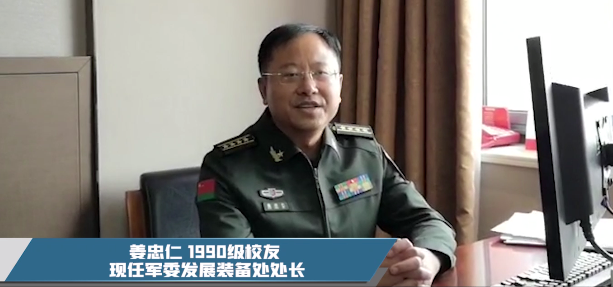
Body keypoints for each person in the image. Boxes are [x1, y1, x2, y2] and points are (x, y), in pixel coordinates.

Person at [195, 23, 457, 286]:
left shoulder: (363, 153)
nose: (308, 87)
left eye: (321, 73)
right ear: (264, 89)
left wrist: (426, 259)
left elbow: (428, 221)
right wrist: (365, 273)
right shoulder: (225, 168)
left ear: (339, 85)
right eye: (290, 75)